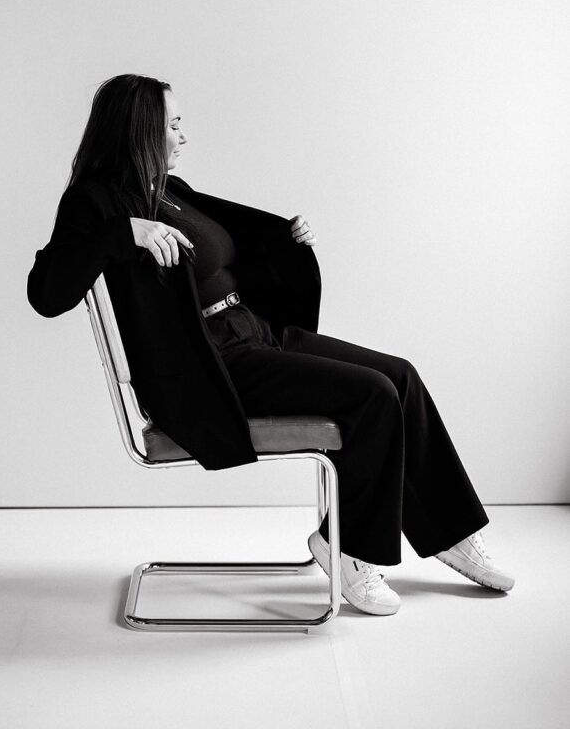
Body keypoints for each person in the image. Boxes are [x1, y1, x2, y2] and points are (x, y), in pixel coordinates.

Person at [27, 73, 514, 616]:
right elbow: (46, 293)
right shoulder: (95, 202)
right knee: (372, 395)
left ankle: (451, 531)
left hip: (254, 334)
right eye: (174, 124)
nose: (184, 135)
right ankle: (346, 548)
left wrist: (286, 238)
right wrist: (126, 234)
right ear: (141, 130)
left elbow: (235, 243)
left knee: (400, 374)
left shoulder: (170, 191)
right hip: (209, 364)